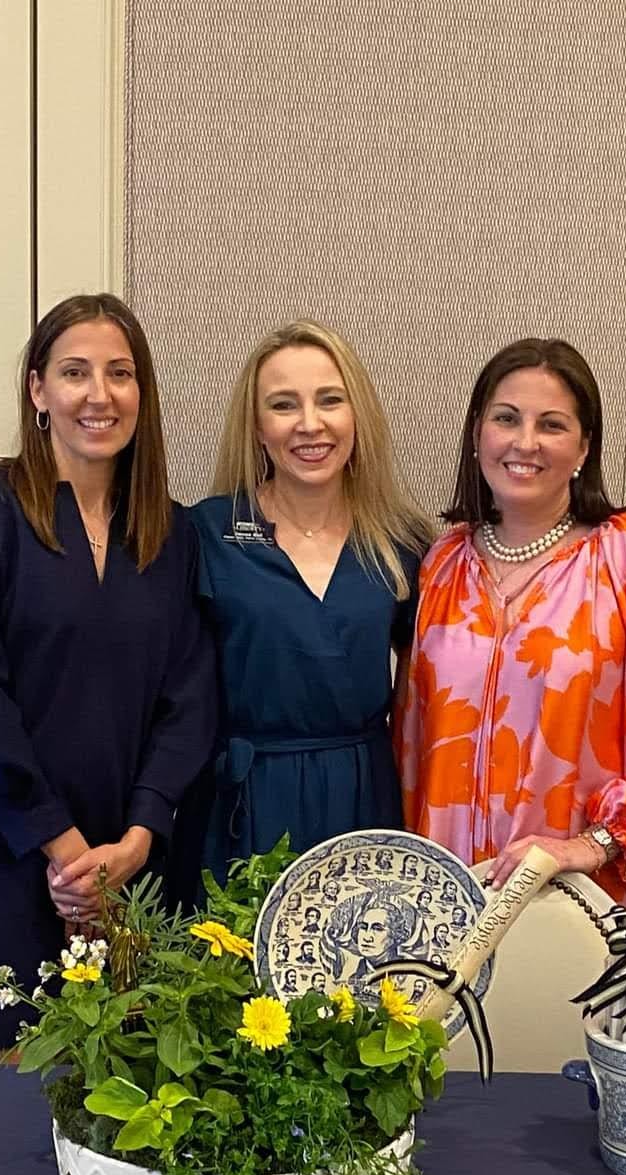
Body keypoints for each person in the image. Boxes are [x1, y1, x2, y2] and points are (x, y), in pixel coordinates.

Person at [0, 293, 216, 1049]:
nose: (99, 394)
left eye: (120, 373)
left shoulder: (171, 532)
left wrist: (140, 836)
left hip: (126, 859)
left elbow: (190, 699)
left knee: (121, 1081)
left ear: (142, 393)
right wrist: (64, 847)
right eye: (75, 372)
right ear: (38, 390)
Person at [395, 338, 626, 900]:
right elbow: (410, 745)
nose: (524, 442)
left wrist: (593, 845)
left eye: (551, 425)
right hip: (449, 897)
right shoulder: (442, 565)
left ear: (584, 448)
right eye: (507, 418)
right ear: (478, 433)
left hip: (578, 899)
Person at [172, 320, 435, 895]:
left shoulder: (404, 543)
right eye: (284, 404)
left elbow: (428, 695)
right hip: (242, 803)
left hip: (363, 798)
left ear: (357, 415)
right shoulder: (206, 534)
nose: (310, 424)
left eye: (330, 400)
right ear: (257, 427)